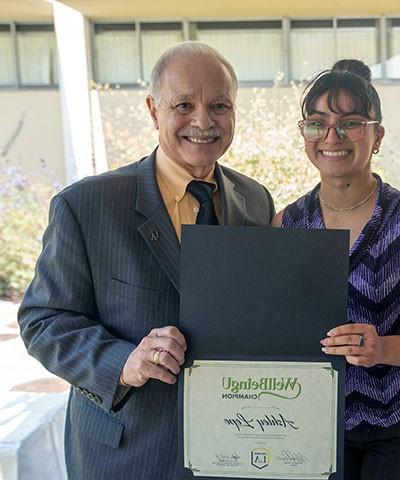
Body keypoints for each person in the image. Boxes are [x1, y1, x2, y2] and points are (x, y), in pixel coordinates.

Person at [18, 42, 274, 479]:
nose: (203, 121)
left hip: (232, 450)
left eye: (219, 105)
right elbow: (43, 321)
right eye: (183, 105)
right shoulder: (86, 205)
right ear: (154, 110)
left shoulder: (255, 200)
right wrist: (124, 361)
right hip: (127, 454)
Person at [271, 59, 400, 479]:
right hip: (313, 426)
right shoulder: (286, 224)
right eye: (317, 123)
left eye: (350, 123)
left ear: (377, 135)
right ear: (305, 134)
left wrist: (382, 349)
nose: (332, 136)